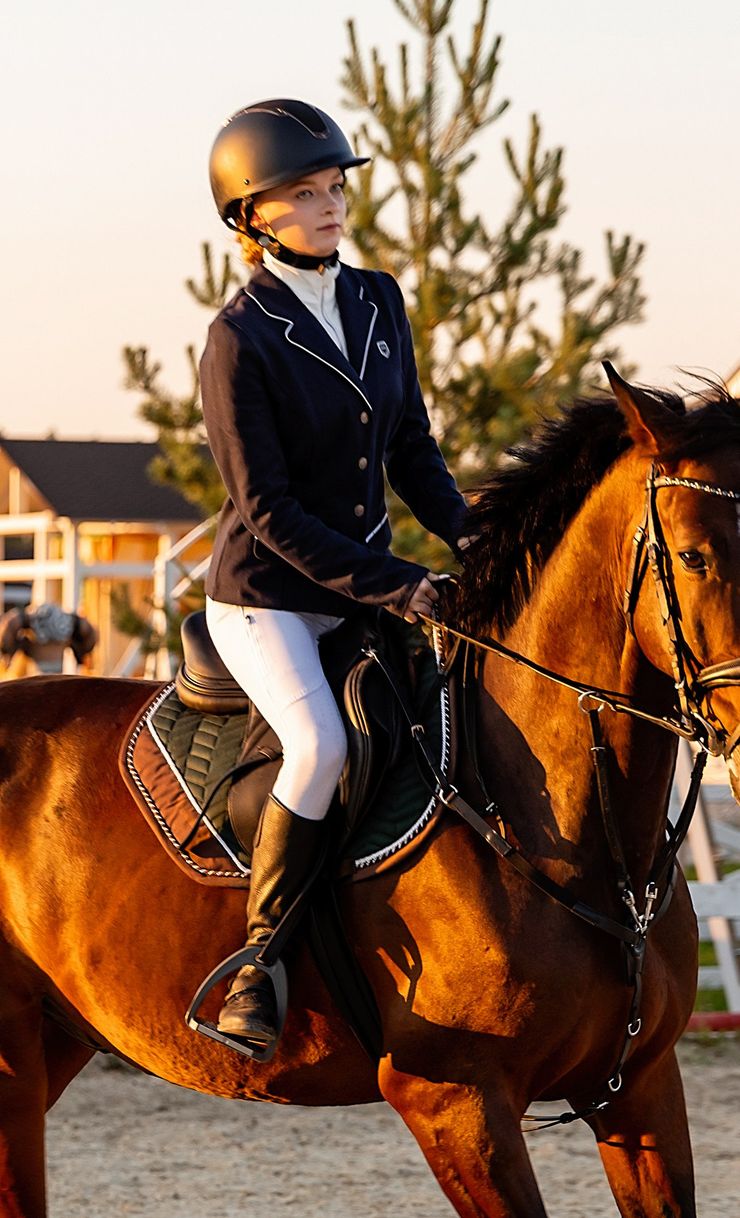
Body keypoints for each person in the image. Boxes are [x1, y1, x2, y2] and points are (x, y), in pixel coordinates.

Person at [193, 97, 465, 1057]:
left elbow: (415, 451)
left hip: (364, 584)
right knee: (317, 747)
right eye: (304, 193)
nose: (330, 205)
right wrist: (395, 584)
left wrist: (478, 538)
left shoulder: (378, 300)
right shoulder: (238, 339)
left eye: (336, 187)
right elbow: (268, 513)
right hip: (269, 599)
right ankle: (258, 961)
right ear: (252, 216)